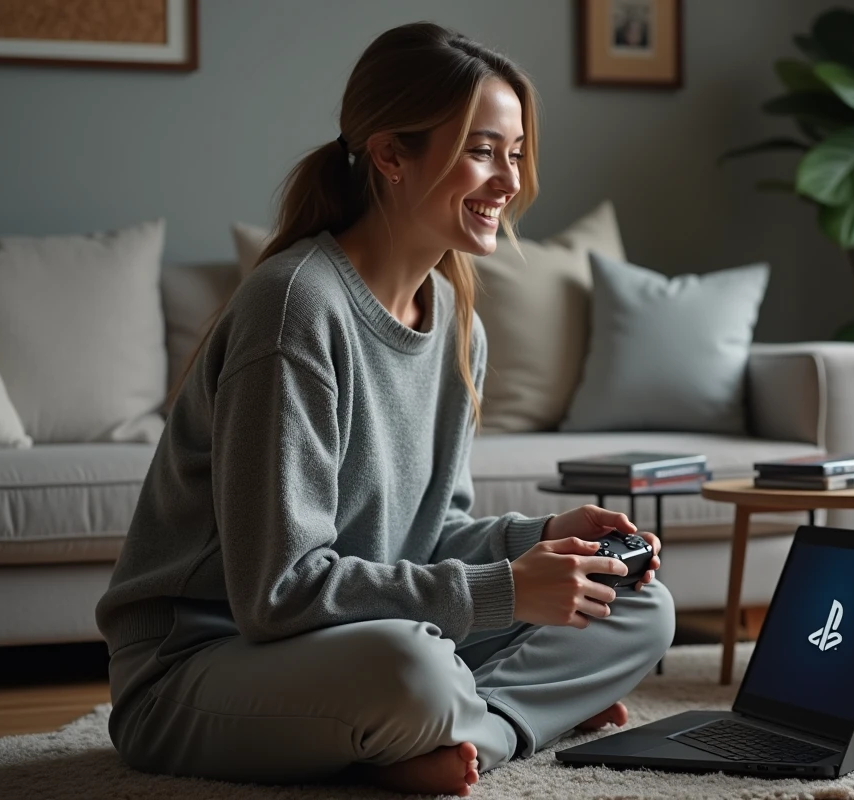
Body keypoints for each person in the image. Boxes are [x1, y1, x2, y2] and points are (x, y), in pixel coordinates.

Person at [95, 21, 674, 798]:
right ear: (390, 154)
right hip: (200, 668)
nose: (508, 180)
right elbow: (278, 595)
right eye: (480, 149)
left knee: (640, 606)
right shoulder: (296, 308)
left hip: (349, 641)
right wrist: (508, 590)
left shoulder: (458, 323)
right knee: (415, 668)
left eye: (514, 152)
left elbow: (429, 534)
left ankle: (470, 731)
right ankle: (498, 713)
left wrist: (544, 541)